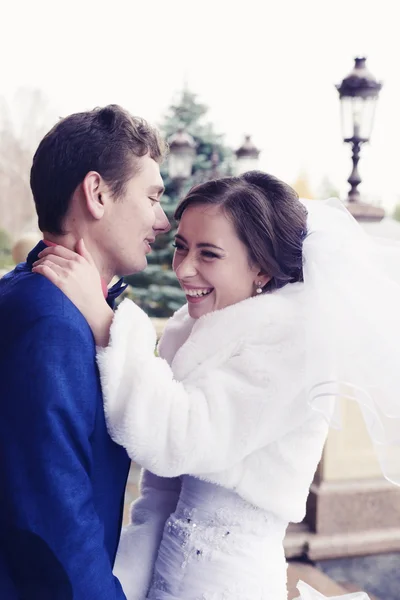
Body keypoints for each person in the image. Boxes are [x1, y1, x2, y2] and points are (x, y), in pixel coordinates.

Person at [33, 171, 400, 599]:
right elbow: (158, 495)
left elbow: (180, 438)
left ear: (260, 266)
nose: (184, 269)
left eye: (208, 254)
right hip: (165, 568)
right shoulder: (190, 329)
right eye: (181, 247)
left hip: (229, 581)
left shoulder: (292, 343)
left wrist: (106, 322)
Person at [0, 104, 170, 599]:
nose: (162, 221)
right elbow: (52, 527)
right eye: (152, 197)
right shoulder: (48, 322)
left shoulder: (32, 295)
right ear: (97, 193)